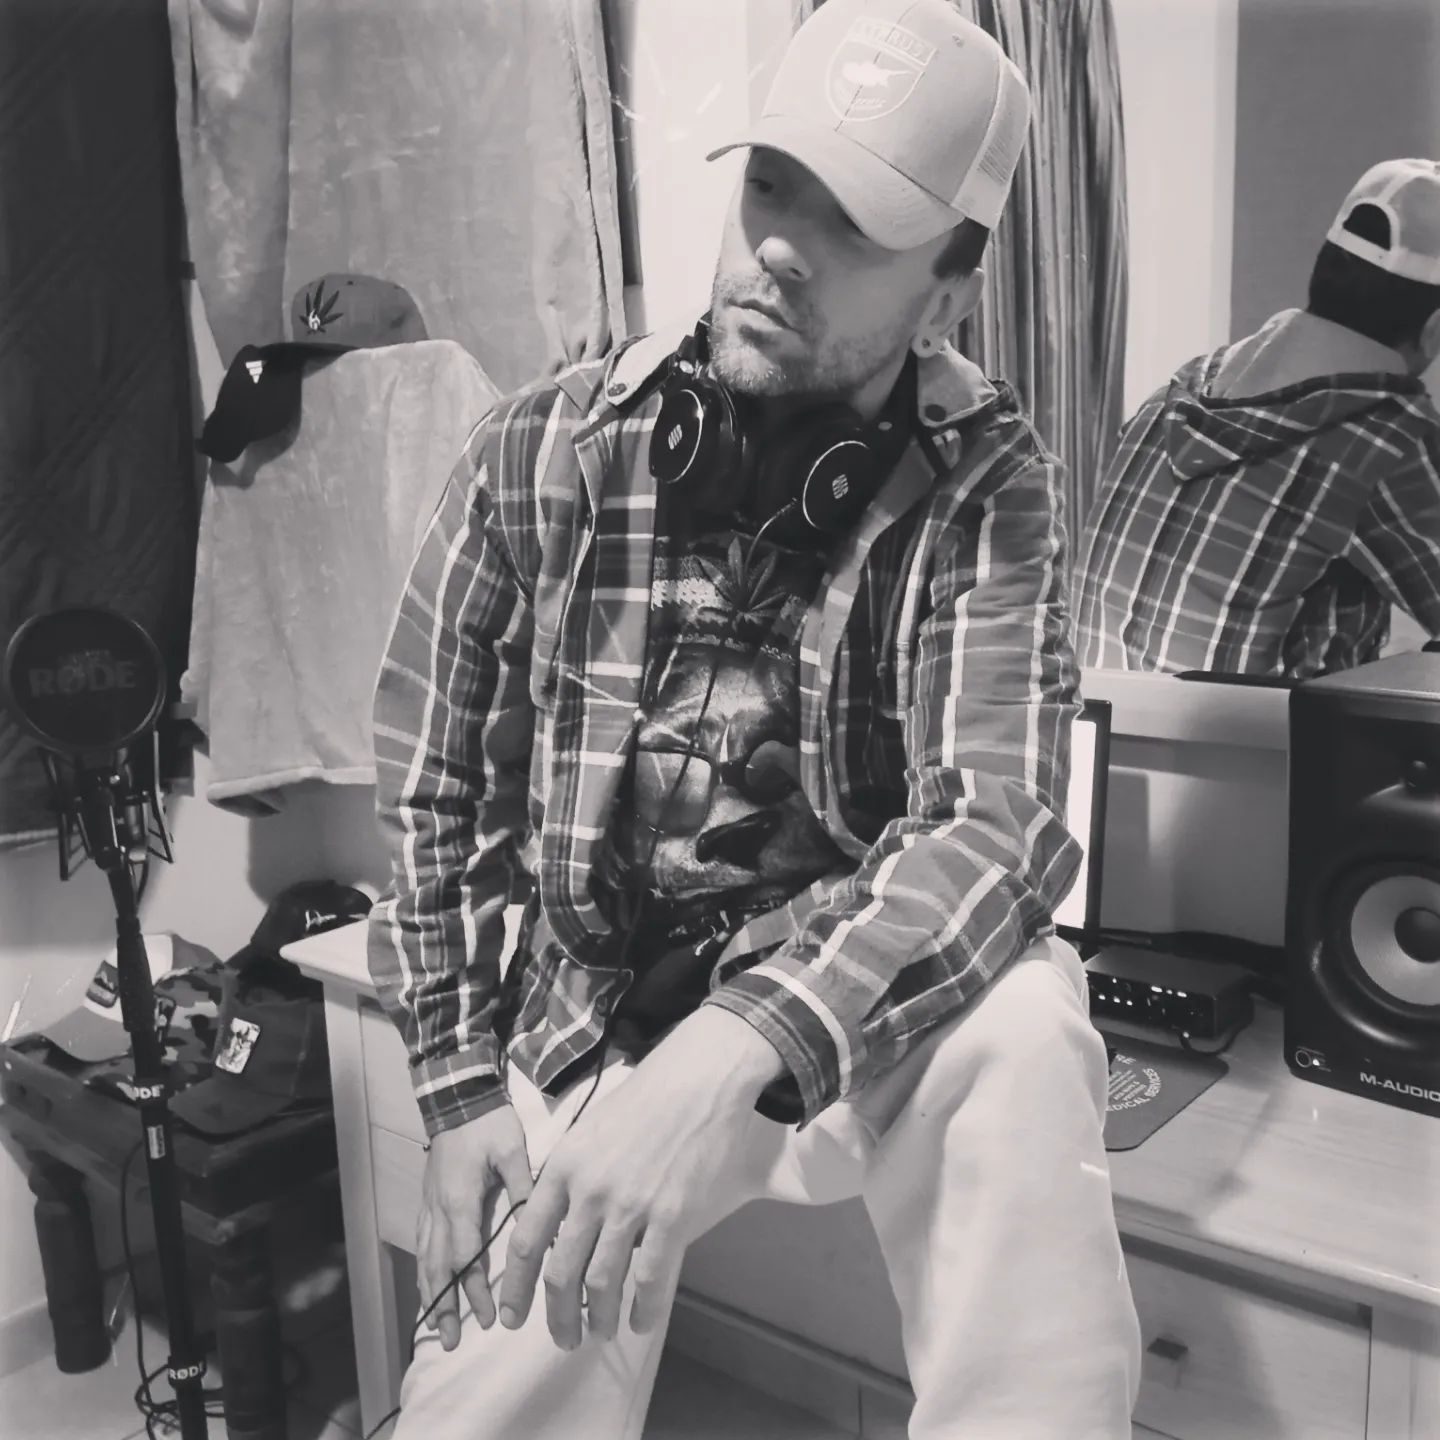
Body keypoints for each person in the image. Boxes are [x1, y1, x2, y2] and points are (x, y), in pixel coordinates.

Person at [367, 1, 1140, 1435]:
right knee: (480, 1401)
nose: (781, 246)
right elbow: (431, 786)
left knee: (1032, 1031)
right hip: (588, 1015)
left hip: (837, 1018)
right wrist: (458, 1086)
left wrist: (733, 1044)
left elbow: (999, 823)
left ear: (951, 296)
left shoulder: (989, 487)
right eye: (772, 186)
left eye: (855, 225)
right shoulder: (540, 448)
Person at [1076, 158, 1440, 680]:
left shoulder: (1177, 393)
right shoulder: (1384, 440)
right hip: (1254, 736)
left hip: (1096, 725)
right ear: (1433, 329)